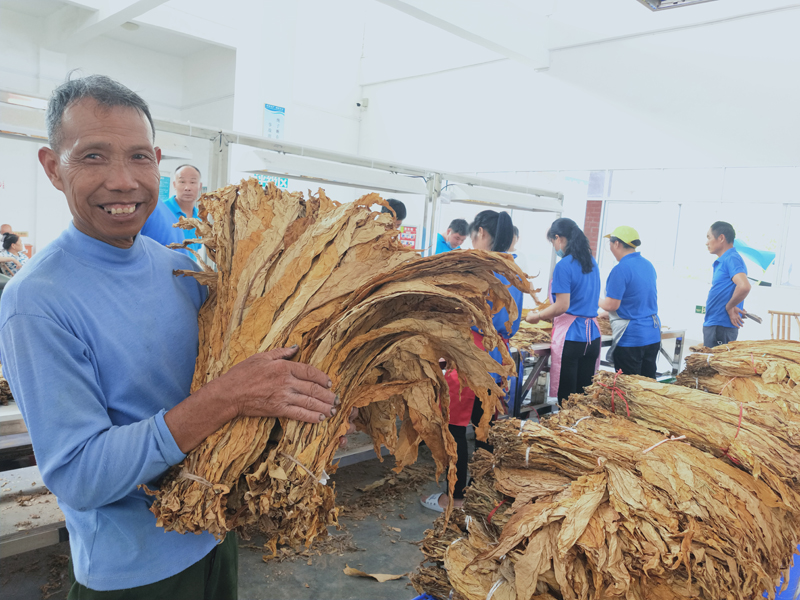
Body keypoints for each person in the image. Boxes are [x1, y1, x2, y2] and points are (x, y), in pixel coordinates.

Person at [0, 74, 354, 599]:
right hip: (132, 572)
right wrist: (228, 396)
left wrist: (310, 415)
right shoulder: (37, 301)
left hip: (215, 535)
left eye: (139, 157)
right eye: (93, 156)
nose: (123, 181)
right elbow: (79, 476)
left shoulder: (181, 270)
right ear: (53, 168)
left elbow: (247, 378)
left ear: (158, 164)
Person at [421, 210, 523, 512]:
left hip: (470, 354)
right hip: (499, 357)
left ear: (480, 232)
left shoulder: (478, 268)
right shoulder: (513, 270)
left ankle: (456, 496)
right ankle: (486, 492)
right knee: (485, 428)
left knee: (455, 428)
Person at [526, 218, 600, 405]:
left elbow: (562, 305)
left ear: (558, 238)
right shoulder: (591, 263)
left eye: (553, 242)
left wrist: (538, 316)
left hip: (572, 336)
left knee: (567, 397)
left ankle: (566, 430)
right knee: (584, 396)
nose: (554, 247)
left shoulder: (564, 266)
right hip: (592, 336)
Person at [598, 226, 661, 377]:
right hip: (652, 335)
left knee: (629, 390)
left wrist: (593, 296)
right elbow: (638, 297)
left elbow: (612, 304)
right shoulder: (647, 265)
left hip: (632, 338)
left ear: (617, 244)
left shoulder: (621, 269)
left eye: (610, 244)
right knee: (648, 386)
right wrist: (610, 314)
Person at [703, 221, 750, 348]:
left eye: (709, 237)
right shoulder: (725, 260)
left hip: (721, 326)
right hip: (717, 325)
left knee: (714, 366)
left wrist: (730, 306)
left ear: (721, 238)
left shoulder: (731, 258)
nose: (707, 242)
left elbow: (744, 286)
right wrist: (734, 304)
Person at [163, 164, 203, 252]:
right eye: (182, 182)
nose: (187, 188)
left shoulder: (200, 218)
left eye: (192, 182)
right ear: (174, 185)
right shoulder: (160, 210)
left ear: (200, 186)